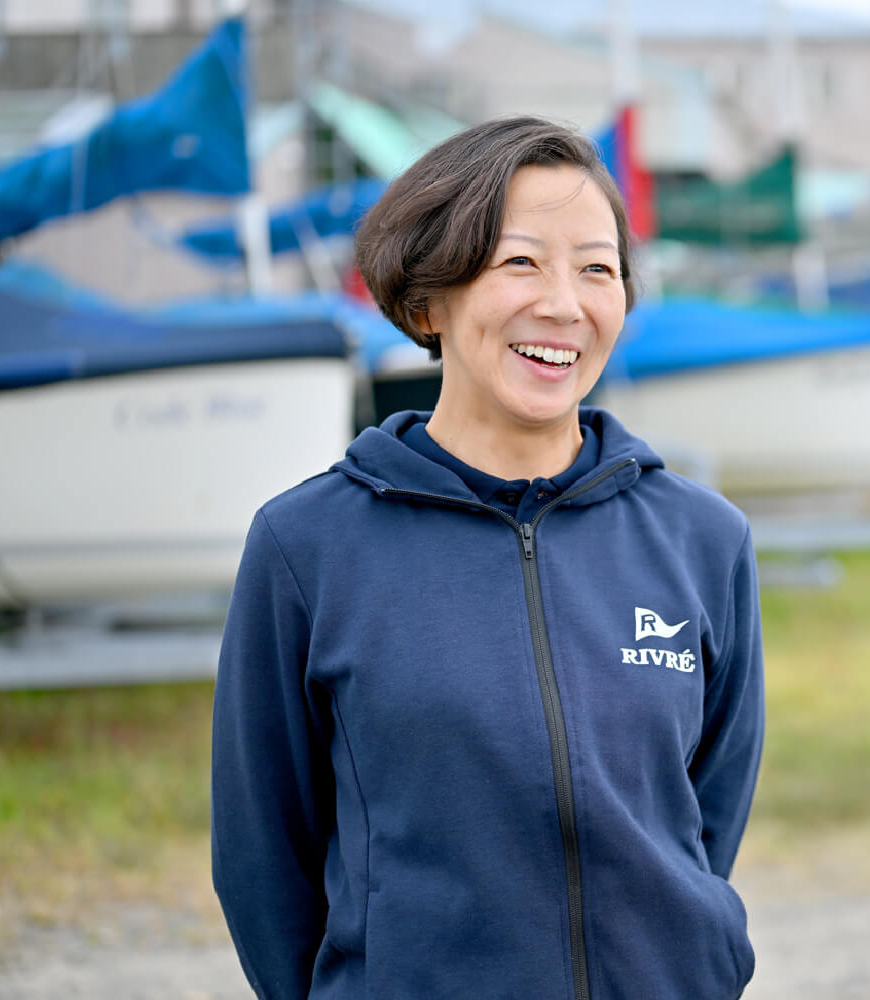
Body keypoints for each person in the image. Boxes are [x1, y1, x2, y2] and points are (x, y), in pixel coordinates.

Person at [210, 116, 765, 1000]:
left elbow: (703, 821)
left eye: (597, 268)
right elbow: (260, 854)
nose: (564, 303)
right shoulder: (305, 547)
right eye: (520, 263)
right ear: (428, 301)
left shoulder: (704, 539)